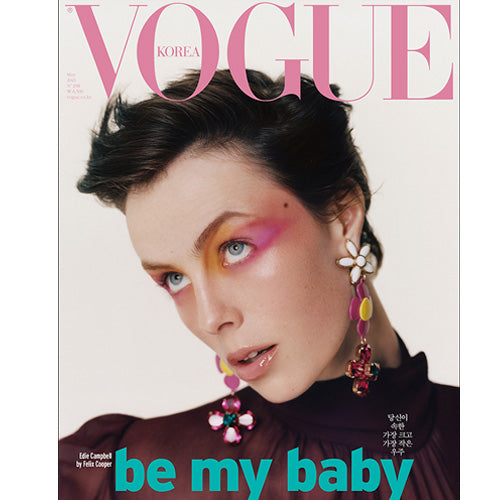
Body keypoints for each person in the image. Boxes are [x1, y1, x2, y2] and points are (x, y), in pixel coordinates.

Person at [59, 70, 459, 499]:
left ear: (343, 217)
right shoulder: (128, 475)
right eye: (175, 278)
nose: (210, 318)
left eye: (234, 248)